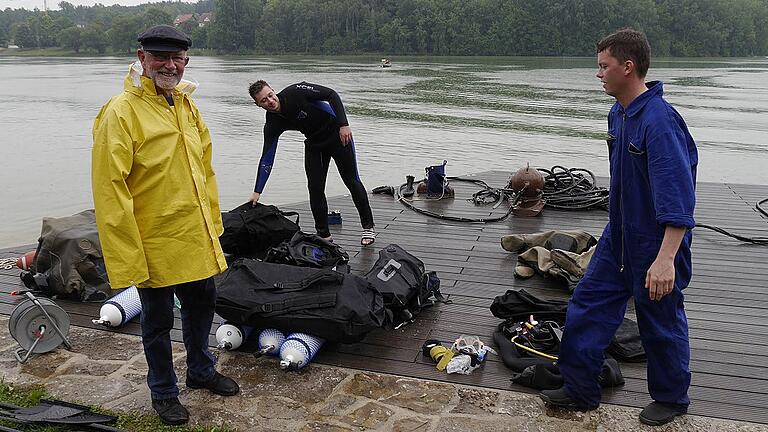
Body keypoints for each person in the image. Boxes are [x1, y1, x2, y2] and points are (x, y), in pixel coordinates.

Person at [539, 28, 698, 427]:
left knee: (660, 323)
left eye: (603, 67)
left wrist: (665, 260)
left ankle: (671, 398)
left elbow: (678, 199)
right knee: (586, 307)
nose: (598, 75)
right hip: (618, 237)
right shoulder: (618, 113)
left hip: (656, 243)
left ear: (628, 67)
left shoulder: (660, 123)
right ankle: (579, 389)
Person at [91, 25, 239, 426]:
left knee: (202, 306)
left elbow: (205, 172)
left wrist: (214, 229)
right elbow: (110, 192)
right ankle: (163, 391)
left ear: (186, 61)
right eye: (160, 57)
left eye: (176, 58)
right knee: (157, 322)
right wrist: (126, 258)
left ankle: (201, 370)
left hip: (194, 237)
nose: (169, 65)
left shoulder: (187, 105)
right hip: (152, 241)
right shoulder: (120, 112)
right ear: (142, 58)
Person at [248, 80, 376, 245]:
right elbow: (267, 157)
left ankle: (368, 227)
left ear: (273, 90)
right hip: (315, 143)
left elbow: (331, 94)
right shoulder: (273, 123)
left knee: (351, 180)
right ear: (258, 105)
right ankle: (324, 235)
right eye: (263, 101)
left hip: (338, 136)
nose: (270, 102)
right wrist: (257, 191)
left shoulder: (296, 92)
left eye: (270, 95)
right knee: (315, 188)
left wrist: (344, 125)